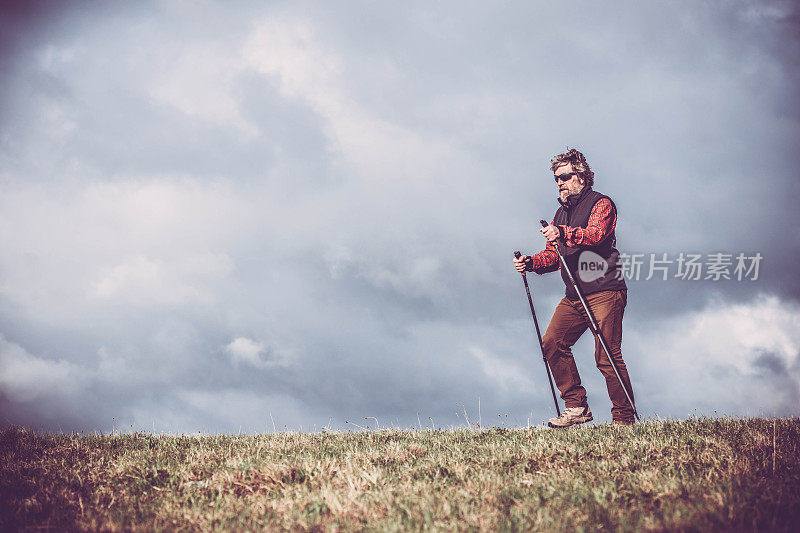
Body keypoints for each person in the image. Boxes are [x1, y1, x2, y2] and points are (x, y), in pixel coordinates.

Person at [513, 148, 636, 427]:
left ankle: (623, 419)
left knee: (606, 354)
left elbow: (595, 235)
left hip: (605, 290)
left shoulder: (601, 204)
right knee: (552, 343)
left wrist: (563, 233)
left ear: (581, 176)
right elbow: (554, 255)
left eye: (565, 176)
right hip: (574, 296)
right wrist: (530, 262)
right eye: (557, 179)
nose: (560, 183)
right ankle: (576, 407)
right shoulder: (560, 213)